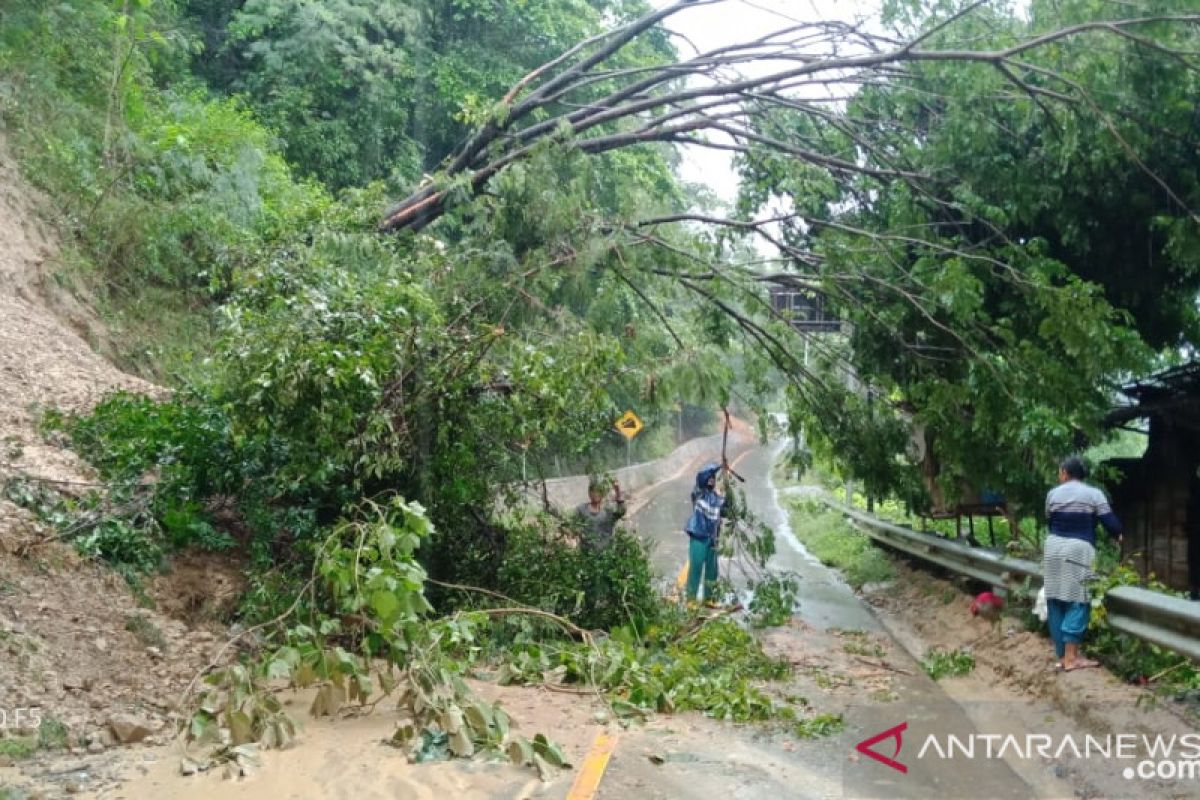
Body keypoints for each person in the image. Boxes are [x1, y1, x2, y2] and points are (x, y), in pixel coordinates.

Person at [1043, 456, 1122, 671]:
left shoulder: (1052, 494)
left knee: (1056, 598)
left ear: (1065, 473)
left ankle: (1062, 656)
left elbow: (1050, 521)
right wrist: (1119, 535)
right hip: (1079, 549)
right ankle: (1071, 659)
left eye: (1060, 472)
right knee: (1079, 599)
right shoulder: (1094, 494)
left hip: (1052, 547)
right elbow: (1110, 523)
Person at [684, 462, 726, 604]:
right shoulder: (698, 493)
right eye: (709, 477)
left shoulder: (718, 498)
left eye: (713, 477)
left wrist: (725, 480)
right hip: (698, 536)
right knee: (695, 567)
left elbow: (727, 509)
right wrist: (719, 466)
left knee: (712, 571)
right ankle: (691, 600)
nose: (711, 479)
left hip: (712, 539)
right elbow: (702, 476)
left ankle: (709, 599)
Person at [574, 476, 625, 550]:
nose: (595, 494)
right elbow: (571, 524)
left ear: (603, 493)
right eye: (593, 491)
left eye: (598, 491)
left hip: (607, 554)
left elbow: (621, 511)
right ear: (589, 493)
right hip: (587, 555)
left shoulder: (609, 509)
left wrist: (618, 491)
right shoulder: (581, 510)